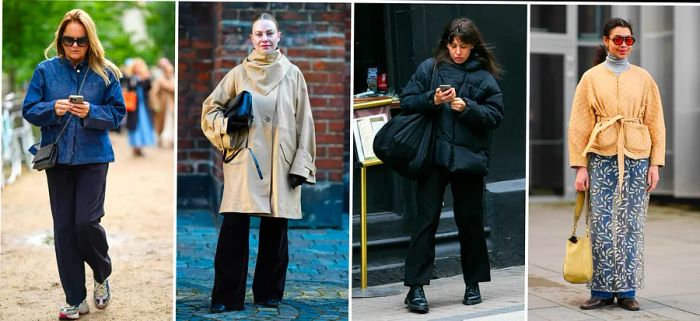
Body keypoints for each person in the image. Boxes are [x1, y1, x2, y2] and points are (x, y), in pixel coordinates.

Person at [201, 12, 316, 313]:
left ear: (279, 36)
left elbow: (305, 121)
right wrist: (228, 126)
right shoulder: (238, 74)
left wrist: (302, 165)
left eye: (269, 33)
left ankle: (269, 293)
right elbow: (209, 111)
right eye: (259, 34)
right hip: (245, 159)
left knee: (275, 230)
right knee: (234, 228)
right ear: (251, 39)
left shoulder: (293, 74)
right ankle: (226, 296)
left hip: (281, 159)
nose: (264, 39)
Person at [22, 9, 124, 320]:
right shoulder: (45, 70)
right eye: (69, 40)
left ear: (90, 40)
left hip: (94, 158)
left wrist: (92, 111)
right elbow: (29, 109)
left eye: (80, 40)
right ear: (61, 40)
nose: (75, 46)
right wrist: (52, 107)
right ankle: (75, 299)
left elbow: (118, 115)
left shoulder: (105, 72)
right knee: (64, 228)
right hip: (58, 159)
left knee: (86, 223)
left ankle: (101, 271)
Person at [399, 17, 504, 313]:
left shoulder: (485, 78)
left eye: (464, 46)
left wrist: (467, 107)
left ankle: (473, 283)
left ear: (473, 46)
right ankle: (415, 288)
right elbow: (406, 101)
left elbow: (495, 116)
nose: (458, 52)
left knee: (470, 221)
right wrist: (430, 99)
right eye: (454, 45)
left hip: (468, 159)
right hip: (433, 156)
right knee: (426, 221)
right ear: (447, 43)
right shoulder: (429, 69)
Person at [568, 18, 665, 312]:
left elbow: (656, 123)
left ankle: (627, 291)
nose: (624, 45)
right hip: (601, 156)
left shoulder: (644, 78)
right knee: (599, 224)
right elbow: (578, 124)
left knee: (630, 225)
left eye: (629, 40)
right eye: (618, 39)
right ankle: (599, 290)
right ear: (606, 40)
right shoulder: (591, 78)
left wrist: (655, 164)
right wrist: (580, 166)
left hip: (637, 157)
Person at [123, 58, 156, 157]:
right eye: (135, 67)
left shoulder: (145, 78)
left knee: (143, 125)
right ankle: (135, 147)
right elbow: (128, 88)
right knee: (134, 126)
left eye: (139, 67)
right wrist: (134, 81)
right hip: (134, 107)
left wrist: (143, 78)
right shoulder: (130, 78)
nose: (137, 69)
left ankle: (140, 147)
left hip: (143, 106)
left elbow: (148, 87)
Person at [151, 57, 175, 148]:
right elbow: (153, 93)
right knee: (162, 123)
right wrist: (156, 105)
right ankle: (161, 140)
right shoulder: (159, 80)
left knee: (171, 123)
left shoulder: (174, 79)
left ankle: (171, 141)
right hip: (163, 105)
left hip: (172, 104)